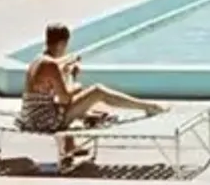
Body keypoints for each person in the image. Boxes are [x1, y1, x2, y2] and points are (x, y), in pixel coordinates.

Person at [20, 23, 165, 155]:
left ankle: (70, 145)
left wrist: (66, 72)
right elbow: (65, 98)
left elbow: (56, 95)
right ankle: (147, 106)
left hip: (31, 116)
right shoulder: (50, 65)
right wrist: (74, 79)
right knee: (97, 91)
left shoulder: (38, 59)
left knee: (87, 108)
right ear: (62, 43)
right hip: (42, 120)